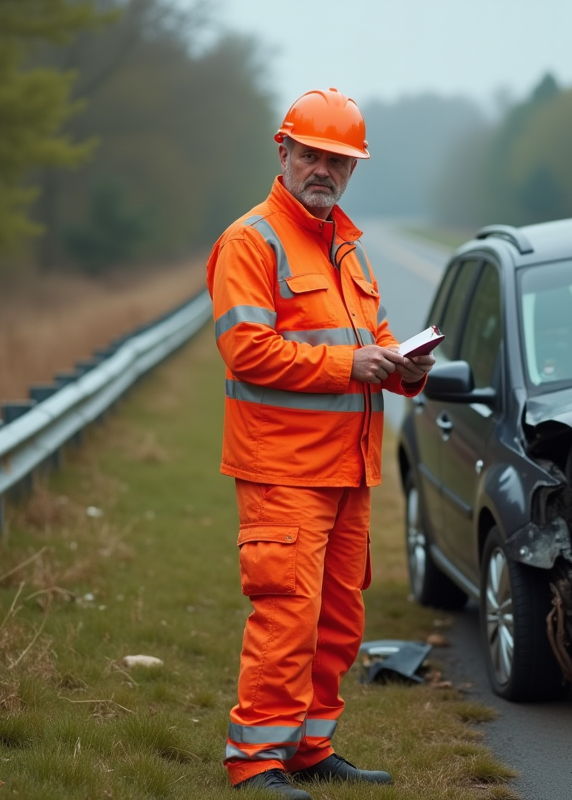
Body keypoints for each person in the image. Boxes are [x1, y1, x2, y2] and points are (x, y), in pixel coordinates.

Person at [205, 87, 433, 799]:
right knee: (287, 616)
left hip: (349, 470)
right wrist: (348, 364)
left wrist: (407, 370)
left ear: (353, 169)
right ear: (283, 152)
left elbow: (378, 344)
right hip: (283, 472)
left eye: (338, 161)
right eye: (311, 155)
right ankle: (254, 763)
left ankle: (308, 748)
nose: (323, 171)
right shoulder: (252, 240)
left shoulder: (350, 249)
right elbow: (246, 350)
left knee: (338, 620)